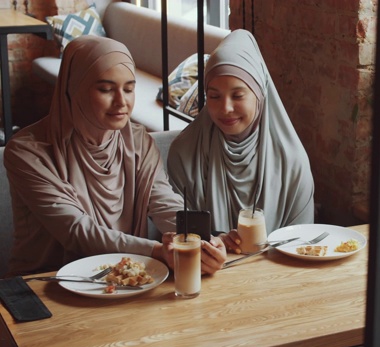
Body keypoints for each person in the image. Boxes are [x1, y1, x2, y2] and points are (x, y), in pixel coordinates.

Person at [3, 36, 226, 276]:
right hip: (44, 284)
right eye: (106, 89)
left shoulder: (139, 141)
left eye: (129, 89)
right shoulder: (28, 151)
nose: (122, 102)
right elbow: (76, 230)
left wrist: (202, 241)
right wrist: (157, 250)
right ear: (73, 87)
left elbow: (163, 202)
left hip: (126, 279)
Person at [167, 30, 315, 253]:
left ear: (259, 94)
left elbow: (303, 244)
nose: (225, 108)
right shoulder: (185, 153)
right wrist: (214, 242)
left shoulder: (290, 160)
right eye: (214, 96)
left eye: (237, 95)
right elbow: (181, 236)